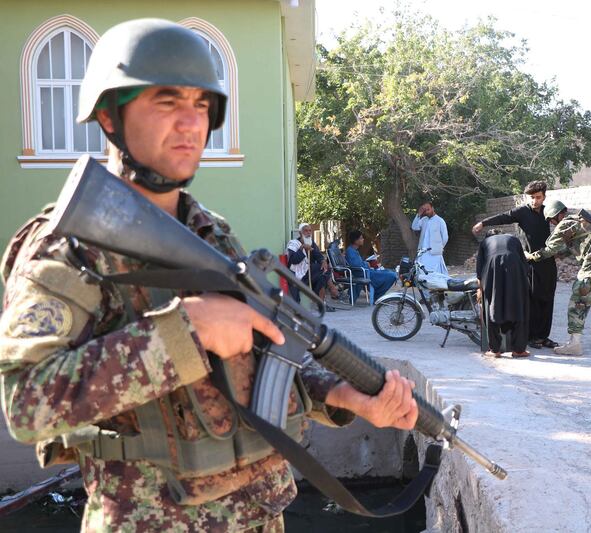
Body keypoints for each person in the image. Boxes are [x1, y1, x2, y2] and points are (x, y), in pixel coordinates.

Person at [0, 19, 418, 532]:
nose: (190, 123)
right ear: (109, 116)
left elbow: (261, 361)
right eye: (166, 101)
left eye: (202, 105)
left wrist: (344, 396)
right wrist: (186, 331)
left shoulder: (210, 234)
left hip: (258, 517)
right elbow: (27, 404)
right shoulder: (68, 247)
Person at [472, 181, 559, 350]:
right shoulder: (522, 212)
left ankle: (543, 336)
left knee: (548, 300)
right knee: (532, 300)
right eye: (532, 197)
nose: (535, 201)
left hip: (547, 262)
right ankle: (531, 336)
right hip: (530, 263)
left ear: (544, 196)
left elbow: (561, 222)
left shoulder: (548, 212)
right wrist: (483, 223)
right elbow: (503, 217)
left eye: (538, 197)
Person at [527, 201, 591, 356]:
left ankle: (574, 344)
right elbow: (575, 247)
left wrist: (532, 256)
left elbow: (550, 249)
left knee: (579, 299)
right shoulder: (582, 222)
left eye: (550, 220)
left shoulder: (566, 224)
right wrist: (560, 254)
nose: (551, 223)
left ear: (556, 216)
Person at [476, 230, 530, 358]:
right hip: (515, 267)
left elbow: (479, 271)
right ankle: (519, 350)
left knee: (492, 304)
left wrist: (481, 290)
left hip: (492, 268)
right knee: (519, 305)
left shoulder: (485, 242)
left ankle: (495, 350)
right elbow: (525, 265)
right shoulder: (513, 239)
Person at [286, 222, 339, 311]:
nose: (308, 233)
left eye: (310, 231)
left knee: (322, 275)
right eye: (305, 231)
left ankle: (321, 305)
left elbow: (318, 255)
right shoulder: (294, 243)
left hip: (308, 274)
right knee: (322, 270)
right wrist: (302, 248)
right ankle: (332, 288)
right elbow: (293, 261)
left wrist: (323, 261)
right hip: (297, 274)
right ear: (300, 233)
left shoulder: (311, 243)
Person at [345, 230, 398, 301]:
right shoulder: (350, 251)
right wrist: (367, 264)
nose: (363, 239)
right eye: (361, 238)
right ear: (356, 240)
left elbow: (359, 263)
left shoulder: (354, 250)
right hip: (364, 273)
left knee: (390, 272)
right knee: (391, 275)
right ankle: (378, 295)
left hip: (367, 271)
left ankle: (378, 295)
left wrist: (367, 264)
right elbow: (357, 265)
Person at [411, 201, 449, 275]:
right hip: (423, 252)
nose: (427, 212)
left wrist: (439, 248)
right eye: (425, 210)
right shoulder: (423, 220)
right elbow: (414, 227)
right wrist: (418, 214)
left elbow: (445, 237)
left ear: (432, 208)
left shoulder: (440, 221)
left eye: (428, 209)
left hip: (434, 253)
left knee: (435, 274)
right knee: (423, 273)